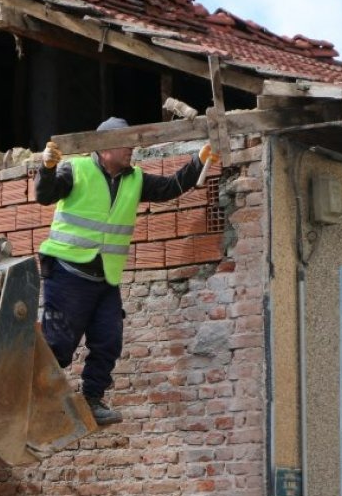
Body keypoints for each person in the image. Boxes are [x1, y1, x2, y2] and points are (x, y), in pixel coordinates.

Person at [35, 117, 219, 425]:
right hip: (67, 274)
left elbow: (171, 187)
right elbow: (45, 195)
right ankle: (31, 398)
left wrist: (198, 160)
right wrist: (48, 168)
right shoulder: (76, 169)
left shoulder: (134, 179)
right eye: (125, 143)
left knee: (108, 341)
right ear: (104, 148)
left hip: (105, 278)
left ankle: (92, 400)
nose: (131, 149)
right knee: (59, 347)